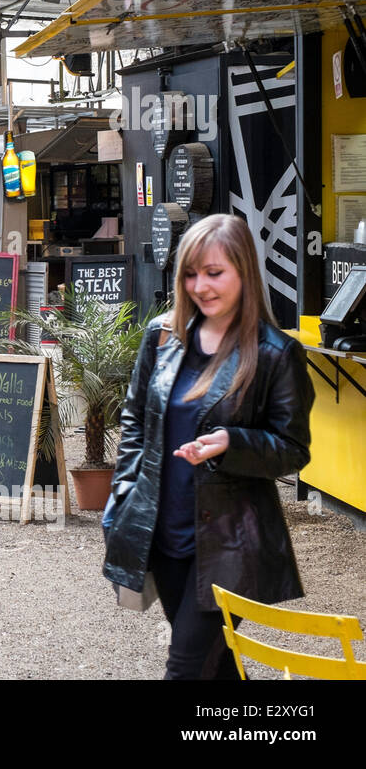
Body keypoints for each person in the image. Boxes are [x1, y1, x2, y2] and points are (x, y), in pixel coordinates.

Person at [103, 214, 314, 680]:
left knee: (185, 668)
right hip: (162, 534)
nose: (200, 286)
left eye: (214, 272)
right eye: (190, 274)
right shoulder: (162, 335)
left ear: (244, 271)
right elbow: (135, 419)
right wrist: (124, 491)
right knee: (215, 667)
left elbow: (293, 449)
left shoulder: (276, 353)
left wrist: (232, 442)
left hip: (229, 545)